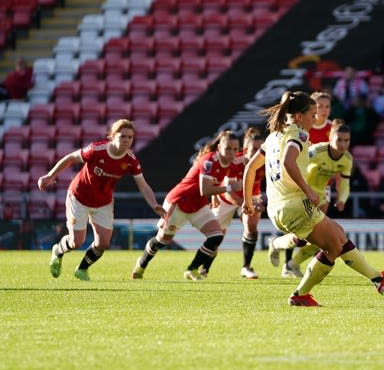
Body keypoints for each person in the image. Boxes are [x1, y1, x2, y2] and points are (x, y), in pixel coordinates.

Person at [242, 91, 384, 306]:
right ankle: (301, 294)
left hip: (276, 208)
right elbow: (289, 162)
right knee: (334, 244)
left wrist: (247, 202)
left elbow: (249, 169)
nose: (316, 119)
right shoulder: (298, 134)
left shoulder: (272, 137)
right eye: (312, 114)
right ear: (299, 116)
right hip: (295, 204)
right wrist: (308, 190)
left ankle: (377, 279)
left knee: (337, 238)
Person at [37, 119, 165, 281]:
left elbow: (143, 185)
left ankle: (82, 269)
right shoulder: (97, 150)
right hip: (79, 198)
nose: (126, 140)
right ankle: (58, 251)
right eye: (122, 136)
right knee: (77, 242)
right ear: (113, 136)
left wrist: (154, 204)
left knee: (102, 243)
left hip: (103, 203)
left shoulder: (131, 161)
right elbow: (70, 158)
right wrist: (50, 175)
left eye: (130, 137)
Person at [131, 130, 242, 280]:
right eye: (228, 148)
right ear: (219, 147)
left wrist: (218, 194)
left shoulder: (230, 164)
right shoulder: (209, 160)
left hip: (198, 204)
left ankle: (192, 269)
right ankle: (141, 265)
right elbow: (204, 189)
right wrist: (228, 188)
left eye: (235, 149)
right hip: (180, 200)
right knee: (163, 239)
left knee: (216, 236)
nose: (231, 153)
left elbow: (214, 182)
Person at [273, 120, 354, 278]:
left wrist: (342, 198)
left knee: (321, 239)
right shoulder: (317, 151)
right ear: (330, 138)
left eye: (347, 140)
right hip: (304, 193)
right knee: (304, 236)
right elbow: (295, 163)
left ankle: (293, 263)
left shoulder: (347, 159)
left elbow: (345, 183)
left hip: (321, 197)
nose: (343, 144)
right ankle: (278, 247)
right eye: (339, 139)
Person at [198, 127, 266, 280]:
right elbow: (229, 190)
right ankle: (204, 269)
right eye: (254, 149)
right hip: (227, 197)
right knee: (217, 235)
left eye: (260, 149)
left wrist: (258, 202)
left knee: (252, 226)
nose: (258, 152)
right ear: (245, 149)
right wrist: (244, 203)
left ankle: (246, 267)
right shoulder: (235, 162)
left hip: (251, 195)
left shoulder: (265, 161)